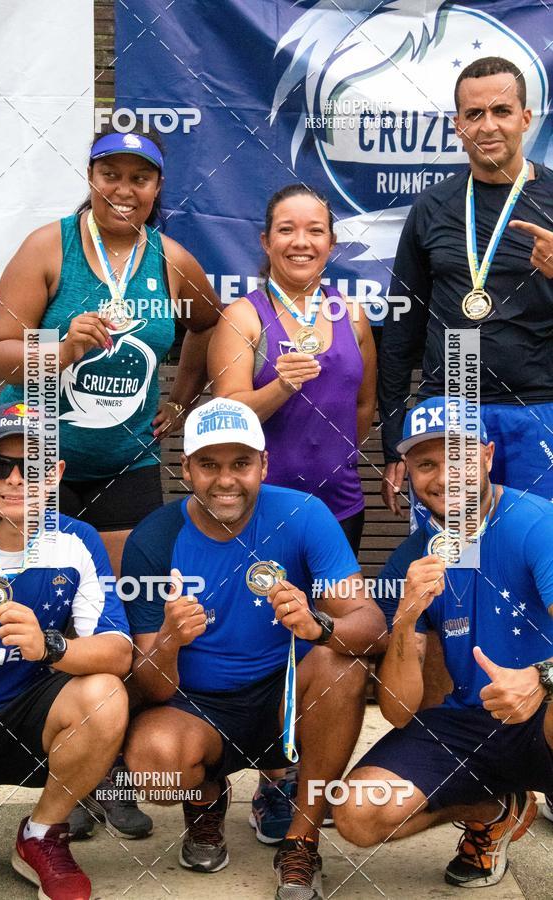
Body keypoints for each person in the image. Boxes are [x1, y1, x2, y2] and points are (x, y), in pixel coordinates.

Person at [121, 398, 387, 900]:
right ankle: (205, 801)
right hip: (196, 706)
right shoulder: (153, 539)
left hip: (283, 694)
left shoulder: (305, 514)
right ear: (187, 469)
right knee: (156, 773)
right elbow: (149, 685)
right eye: (209, 464)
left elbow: (372, 626)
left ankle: (301, 841)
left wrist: (319, 624)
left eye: (241, 463)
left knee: (341, 666)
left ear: (264, 464)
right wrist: (172, 640)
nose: (225, 480)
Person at [334, 396, 553, 889]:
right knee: (358, 813)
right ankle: (496, 810)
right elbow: (397, 710)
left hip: (543, 712)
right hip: (469, 723)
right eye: (427, 464)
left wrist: (541, 678)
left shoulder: (538, 523)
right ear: (408, 472)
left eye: (458, 457)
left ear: (488, 457)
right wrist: (408, 617)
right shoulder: (411, 558)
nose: (444, 476)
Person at [0, 126, 221, 576]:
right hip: (34, 459)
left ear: (157, 186)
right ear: (90, 176)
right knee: (33, 599)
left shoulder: (171, 260)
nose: (123, 190)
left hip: (124, 465)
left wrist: (180, 401)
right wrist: (63, 348)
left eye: (139, 178)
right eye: (110, 174)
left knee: (121, 602)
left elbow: (208, 324)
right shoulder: (49, 247)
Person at [0, 404, 133, 899]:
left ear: (54, 473)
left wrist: (50, 646)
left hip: (27, 720)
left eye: (31, 466)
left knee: (104, 696)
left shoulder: (77, 542)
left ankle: (40, 834)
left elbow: (118, 652)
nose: (15, 479)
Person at [379, 57, 553, 521]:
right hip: (449, 409)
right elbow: (400, 330)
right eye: (475, 114)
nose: (489, 125)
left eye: (502, 111)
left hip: (538, 409)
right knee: (452, 561)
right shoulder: (432, 206)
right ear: (458, 125)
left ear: (526, 118)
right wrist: (394, 439)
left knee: (540, 556)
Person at [208, 183, 376, 556]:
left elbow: (363, 407)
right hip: (261, 509)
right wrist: (281, 387)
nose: (301, 242)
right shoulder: (243, 317)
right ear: (267, 242)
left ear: (331, 243)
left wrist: (332, 459)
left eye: (315, 231)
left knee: (333, 613)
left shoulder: (352, 314)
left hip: (341, 505)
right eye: (287, 230)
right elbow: (228, 418)